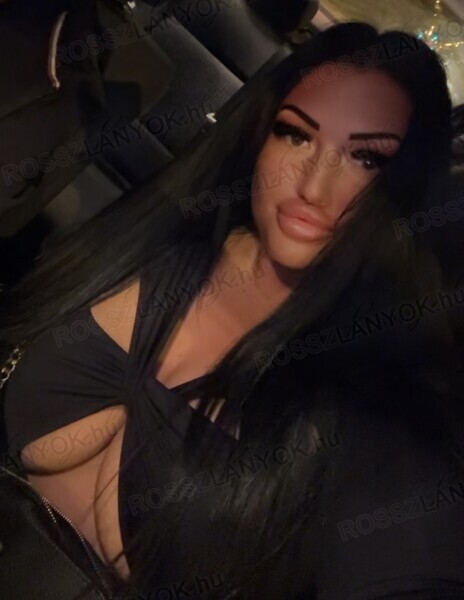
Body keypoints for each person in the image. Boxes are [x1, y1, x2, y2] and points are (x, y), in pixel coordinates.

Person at [1, 22, 463, 599]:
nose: (312, 186)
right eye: (296, 135)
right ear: (261, 132)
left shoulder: (375, 399)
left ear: (407, 185)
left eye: (364, 157)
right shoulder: (154, 239)